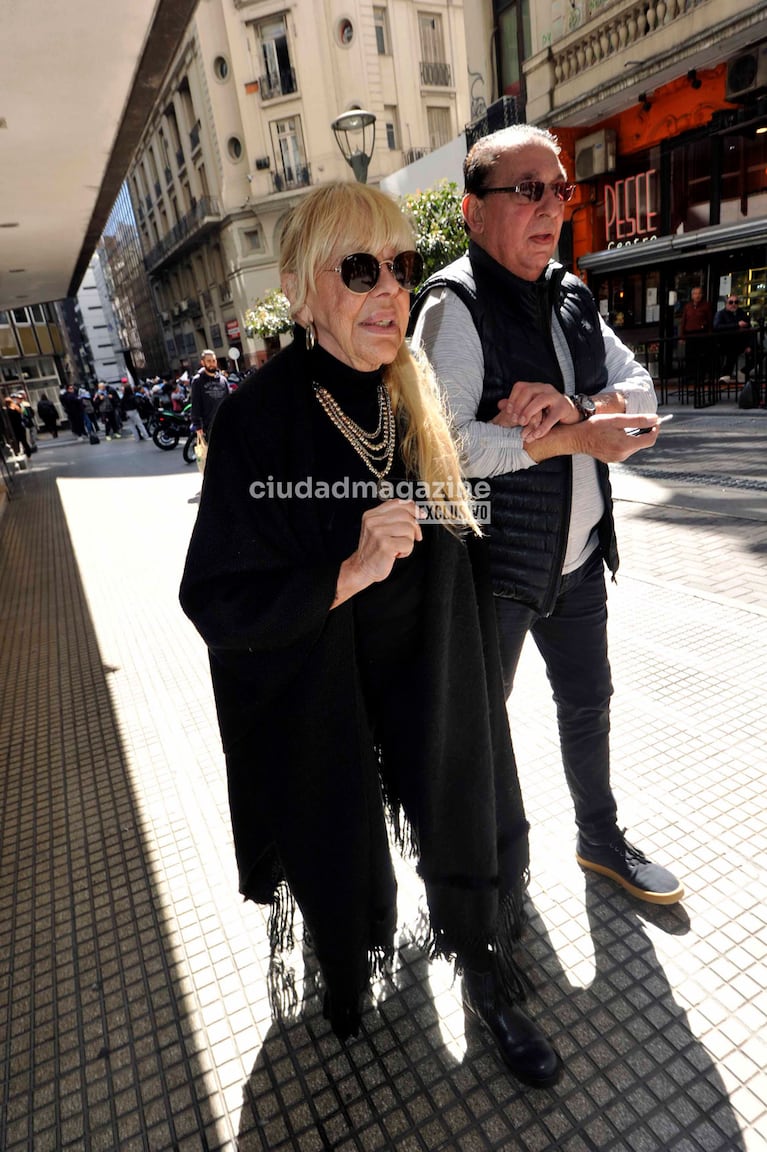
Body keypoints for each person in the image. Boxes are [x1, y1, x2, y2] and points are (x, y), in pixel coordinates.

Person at [180, 181, 561, 1088]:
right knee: (336, 830)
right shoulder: (256, 417)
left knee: (461, 796)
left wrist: (523, 427)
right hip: (321, 684)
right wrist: (343, 574)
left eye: (402, 266)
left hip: (426, 660)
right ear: (302, 290)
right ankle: (349, 962)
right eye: (360, 269)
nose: (390, 289)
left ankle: (482, 970)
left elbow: (462, 518)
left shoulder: (411, 391)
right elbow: (213, 596)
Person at [411, 124, 683, 907]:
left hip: (578, 562)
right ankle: (489, 881)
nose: (550, 206)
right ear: (472, 211)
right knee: (478, 734)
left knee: (587, 706)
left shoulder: (570, 293)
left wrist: (574, 407)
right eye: (526, 189)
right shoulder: (451, 305)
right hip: (493, 574)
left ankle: (599, 842)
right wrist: (572, 438)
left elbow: (642, 396)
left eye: (558, 189)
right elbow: (448, 450)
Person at [189, 349, 228, 439]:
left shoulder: (223, 380)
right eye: (209, 361)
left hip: (225, 423)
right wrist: (198, 426)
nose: (212, 363)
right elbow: (195, 404)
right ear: (203, 362)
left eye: (213, 361)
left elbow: (228, 401)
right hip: (208, 427)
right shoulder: (197, 381)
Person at [714, 295, 753, 382]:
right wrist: (737, 325)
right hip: (725, 342)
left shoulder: (741, 313)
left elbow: (748, 329)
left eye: (736, 302)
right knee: (732, 350)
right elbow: (717, 326)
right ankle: (725, 375)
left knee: (759, 351)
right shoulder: (721, 314)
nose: (733, 304)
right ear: (726, 304)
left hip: (741, 342)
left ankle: (743, 371)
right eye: (731, 302)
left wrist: (748, 345)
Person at [679, 285, 713, 383]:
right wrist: (682, 336)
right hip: (690, 333)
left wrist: (709, 334)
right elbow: (683, 321)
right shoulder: (688, 307)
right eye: (694, 294)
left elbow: (710, 320)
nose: (697, 296)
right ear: (692, 295)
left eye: (699, 293)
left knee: (701, 356)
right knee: (690, 356)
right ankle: (690, 375)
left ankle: (700, 376)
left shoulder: (706, 306)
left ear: (701, 295)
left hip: (701, 333)